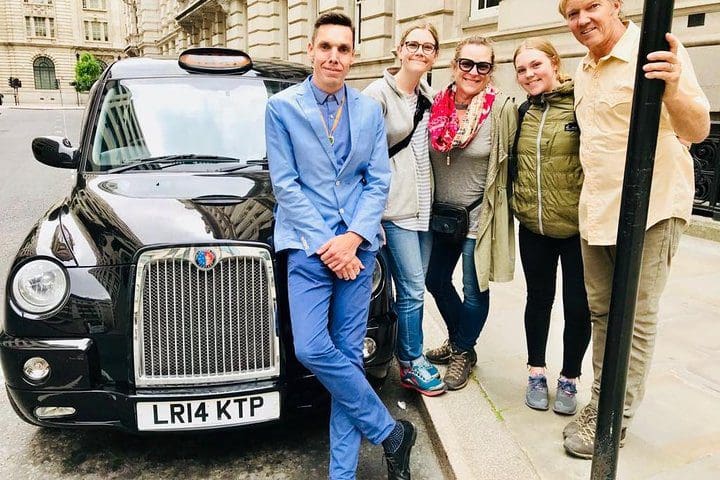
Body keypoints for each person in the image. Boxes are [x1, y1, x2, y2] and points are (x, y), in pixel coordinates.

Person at [265, 13, 416, 480]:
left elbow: (378, 180)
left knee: (348, 358)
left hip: (359, 247)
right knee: (312, 349)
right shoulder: (282, 108)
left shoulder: (370, 110)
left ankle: (342, 474)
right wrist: (329, 244)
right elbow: (286, 184)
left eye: (343, 49)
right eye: (326, 47)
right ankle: (391, 432)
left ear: (353, 55)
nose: (334, 56)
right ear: (310, 50)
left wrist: (352, 239)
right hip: (307, 249)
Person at [558, 0, 710, 459]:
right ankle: (601, 402)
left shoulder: (656, 49)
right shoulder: (585, 66)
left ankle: (614, 419)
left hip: (652, 207)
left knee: (635, 319)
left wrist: (674, 89)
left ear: (617, 4)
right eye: (571, 13)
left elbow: (698, 128)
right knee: (602, 314)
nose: (583, 20)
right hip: (598, 208)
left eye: (592, 6)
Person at [424, 35, 517, 390]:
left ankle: (463, 350)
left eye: (483, 66)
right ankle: (459, 337)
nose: (474, 72)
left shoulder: (501, 109)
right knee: (435, 280)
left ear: (491, 70)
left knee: (474, 288)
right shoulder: (434, 105)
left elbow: (515, 161)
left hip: (479, 217)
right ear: (454, 65)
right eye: (467, 64)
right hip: (442, 216)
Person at [363, 22, 446, 396]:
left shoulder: (427, 95)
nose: (419, 51)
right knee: (412, 288)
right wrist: (371, 216)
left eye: (428, 47)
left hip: (422, 206)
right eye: (413, 44)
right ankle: (411, 362)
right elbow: (360, 159)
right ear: (399, 49)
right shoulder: (377, 95)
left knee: (412, 289)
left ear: (435, 55)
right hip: (393, 211)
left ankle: (397, 352)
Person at [511, 38, 591, 416]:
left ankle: (570, 379)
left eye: (536, 65)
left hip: (577, 229)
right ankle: (536, 371)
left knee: (578, 307)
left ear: (555, 64)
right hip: (534, 226)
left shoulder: (580, 103)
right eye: (522, 69)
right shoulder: (522, 112)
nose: (529, 75)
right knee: (538, 300)